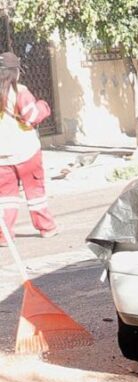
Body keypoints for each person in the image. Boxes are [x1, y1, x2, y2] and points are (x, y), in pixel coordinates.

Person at [0, 52, 57, 245]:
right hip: (26, 151)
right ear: (15, 72)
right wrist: (43, 106)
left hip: (2, 156)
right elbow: (32, 116)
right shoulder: (19, 91)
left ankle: (4, 235)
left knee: (6, 196)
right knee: (35, 192)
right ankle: (46, 227)